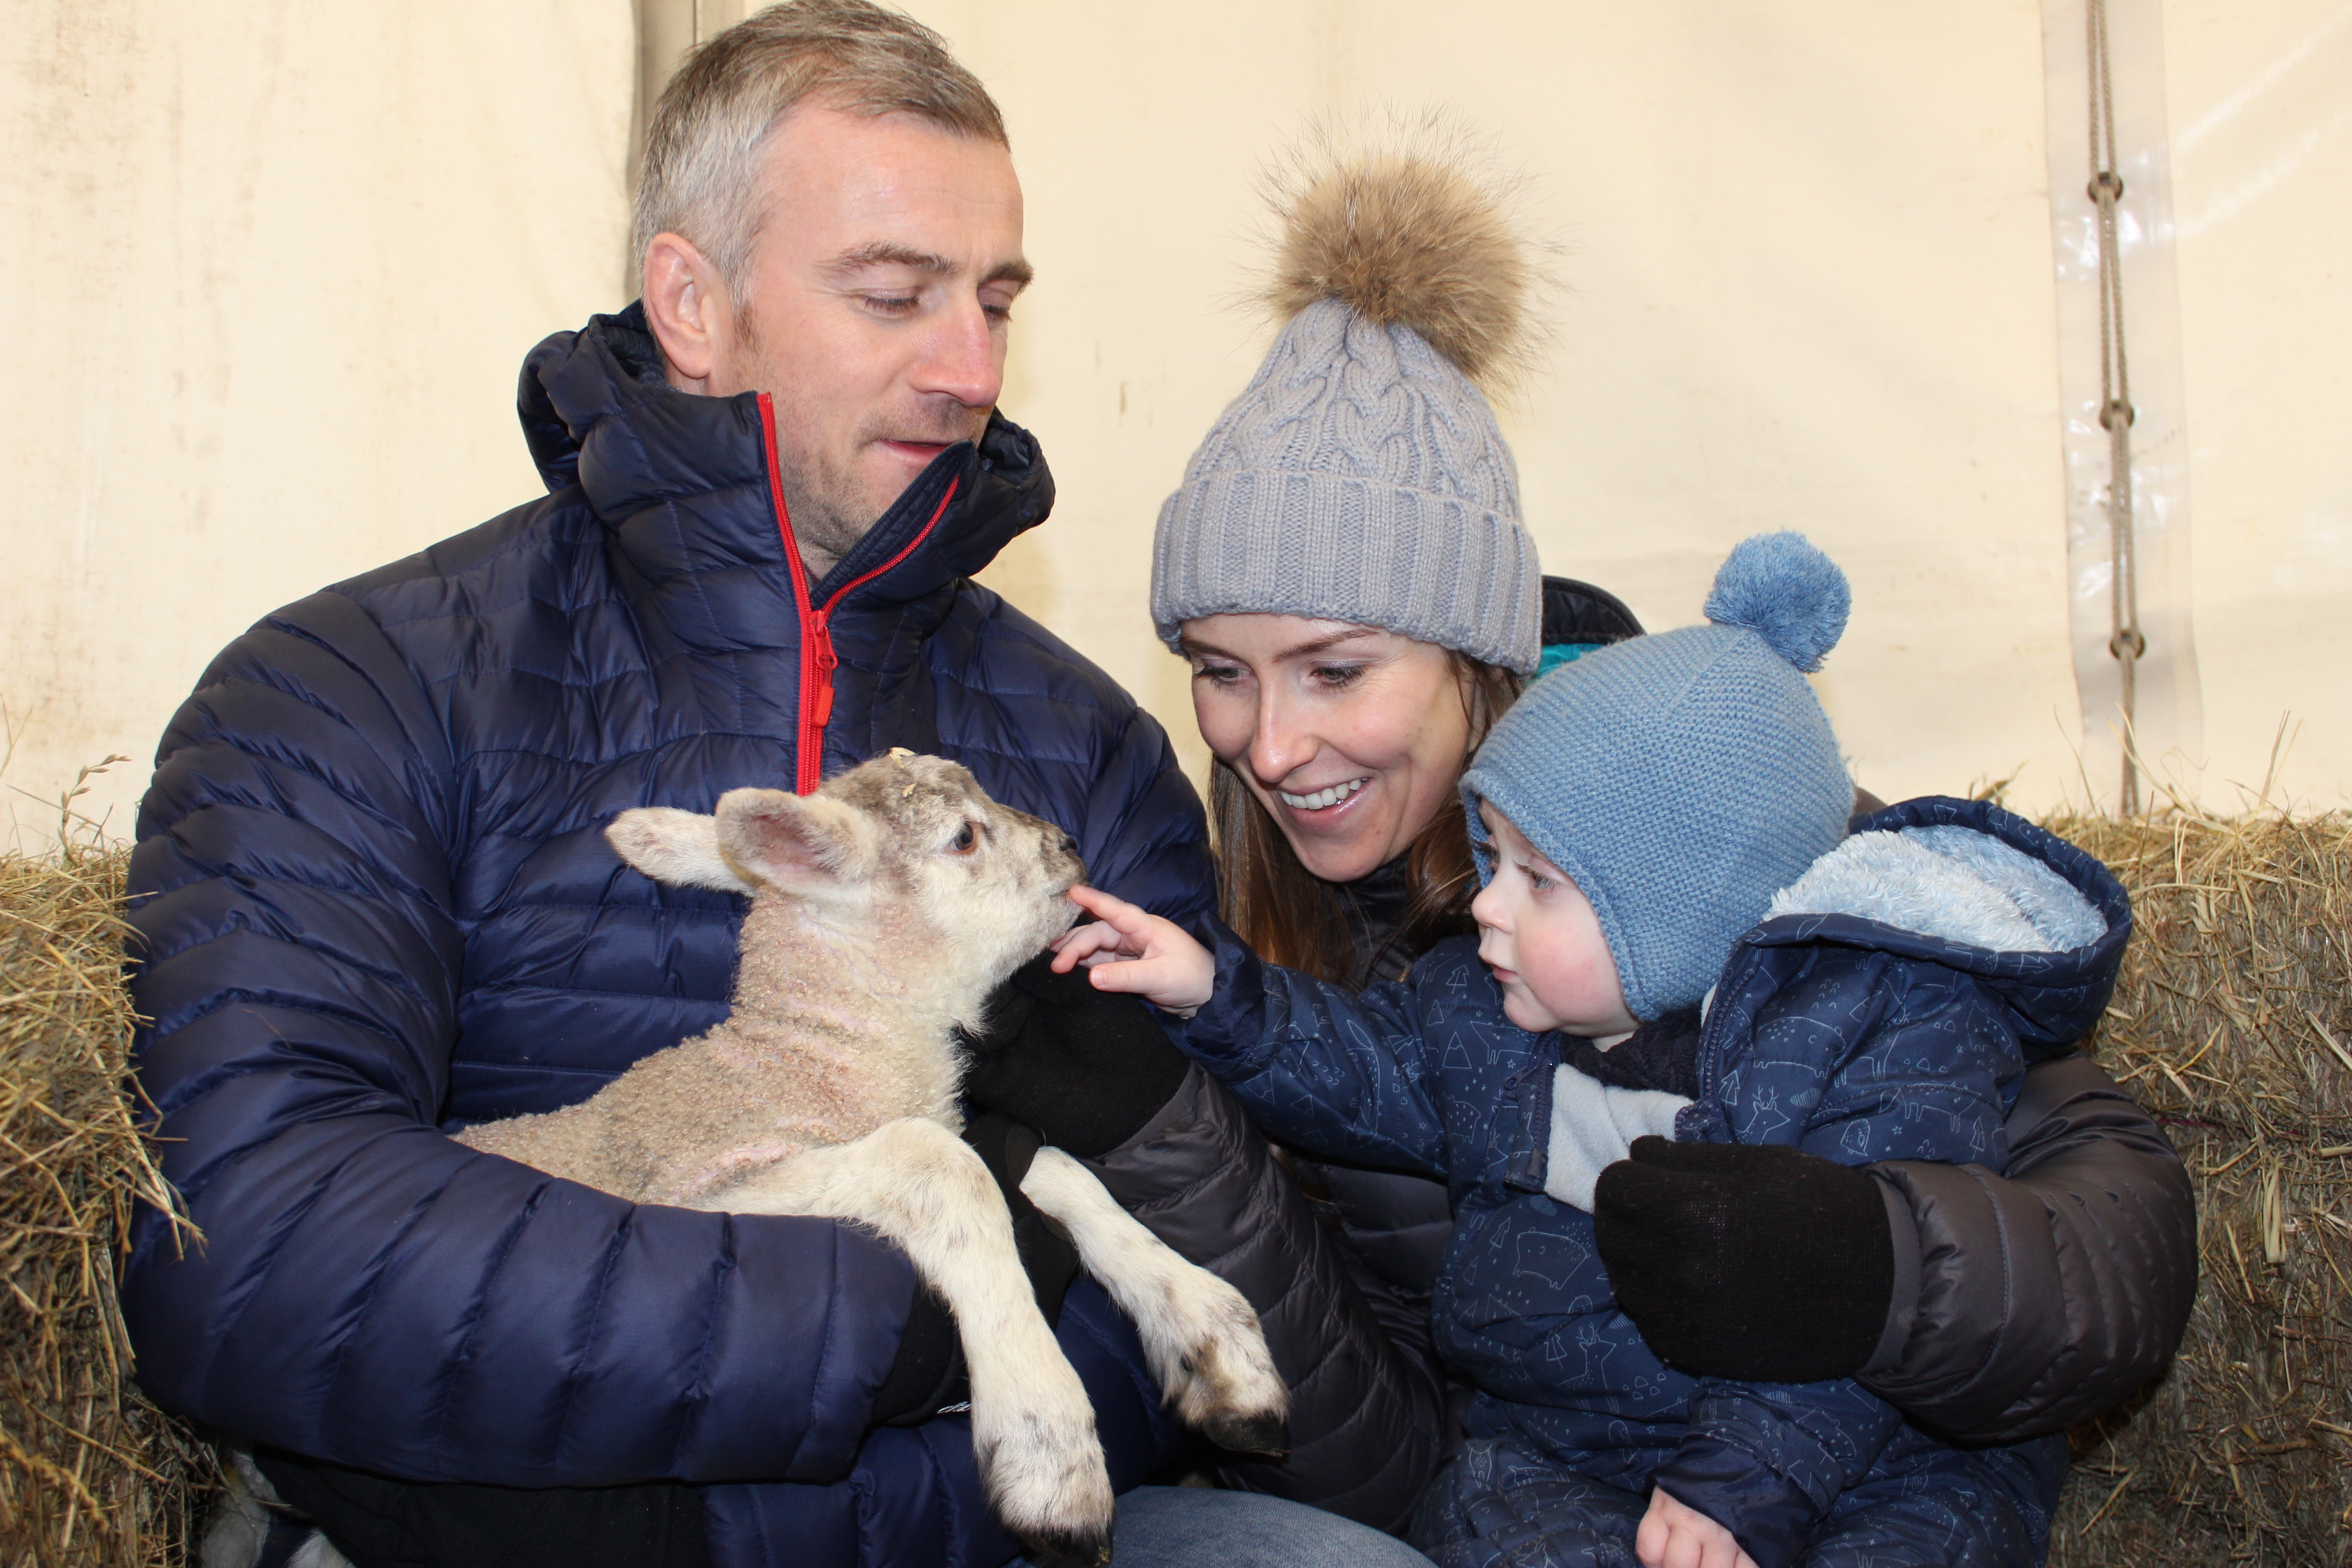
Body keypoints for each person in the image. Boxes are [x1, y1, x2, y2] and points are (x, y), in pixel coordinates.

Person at [120, 5, 1435, 1566]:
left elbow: (1173, 1291)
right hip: (499, 1516)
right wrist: (877, 1329)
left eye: (995, 303)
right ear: (694, 299)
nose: (970, 369)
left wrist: (859, 1483)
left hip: (961, 1524)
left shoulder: (1075, 745)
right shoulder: (355, 689)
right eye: (896, 295)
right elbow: (253, 1245)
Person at [1142, 140, 2196, 1467]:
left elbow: (2117, 1234)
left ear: (1475, 653)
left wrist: (1877, 1268)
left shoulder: (1698, 801)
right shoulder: (1216, 928)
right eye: (1221, 675)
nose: (1273, 745)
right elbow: (1356, 1440)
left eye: (1337, 668)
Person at [1056, 532, 2129, 1567]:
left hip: (1860, 1462)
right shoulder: (1484, 1015)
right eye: (1492, 859)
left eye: (1540, 882)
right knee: (1491, 1522)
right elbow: (1361, 1066)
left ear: (1677, 916)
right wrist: (1213, 990)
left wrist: (1747, 1481)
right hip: (1568, 1452)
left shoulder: (1869, 1035)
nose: (1485, 907)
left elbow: (1855, 1319)